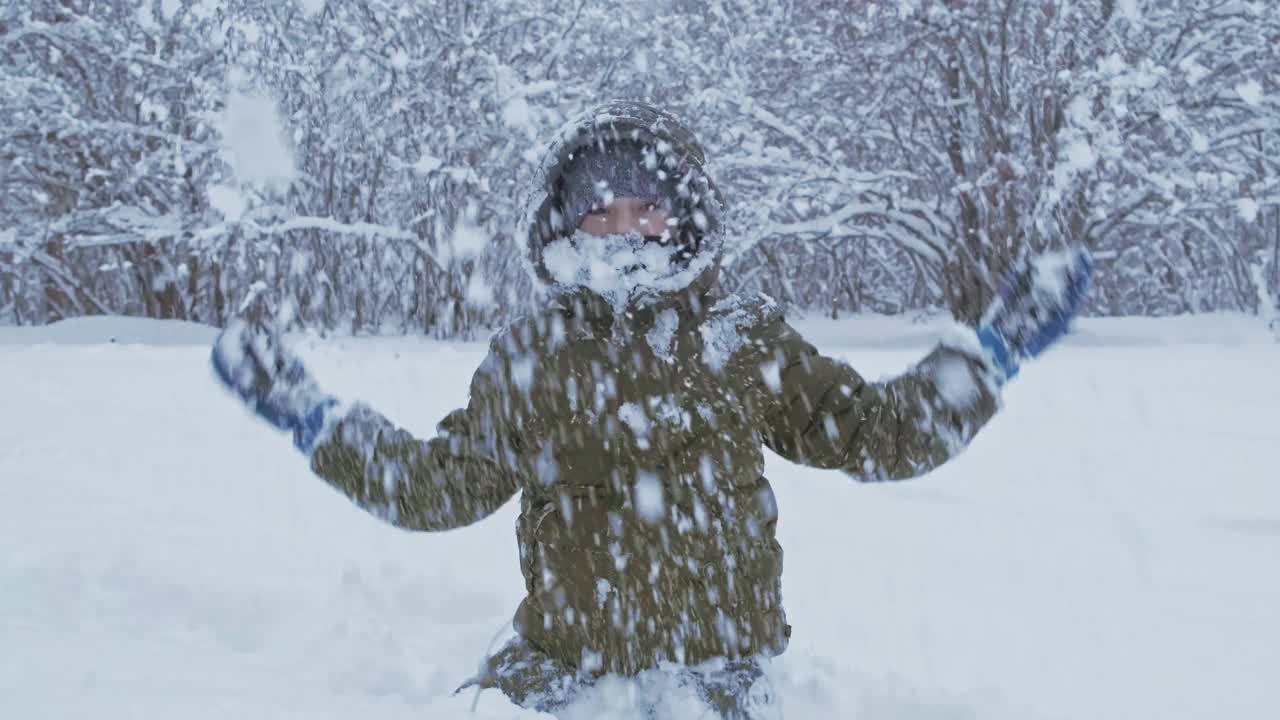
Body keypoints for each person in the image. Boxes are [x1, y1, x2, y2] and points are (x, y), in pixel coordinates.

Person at [210, 100, 1090, 719]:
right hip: (565, 680)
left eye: (647, 206)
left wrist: (989, 357)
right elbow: (432, 489)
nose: (625, 227)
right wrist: (311, 414)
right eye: (601, 212)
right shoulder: (534, 358)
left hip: (720, 684)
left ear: (684, 217)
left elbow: (875, 435)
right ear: (565, 227)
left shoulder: (740, 338)